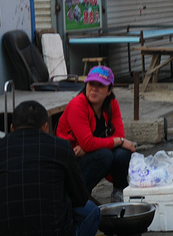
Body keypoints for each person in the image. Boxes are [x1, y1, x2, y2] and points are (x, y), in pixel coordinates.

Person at [0, 101, 100, 236]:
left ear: (12, 128)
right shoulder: (62, 147)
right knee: (91, 210)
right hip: (54, 231)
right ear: (45, 127)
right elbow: (80, 198)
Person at [56, 66, 136, 202]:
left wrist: (90, 147)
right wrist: (120, 141)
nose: (94, 88)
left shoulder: (112, 103)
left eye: (100, 85)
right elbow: (96, 142)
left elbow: (116, 134)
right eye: (91, 83)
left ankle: (120, 193)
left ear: (109, 90)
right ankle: (79, 197)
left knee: (122, 153)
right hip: (70, 160)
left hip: (88, 153)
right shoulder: (77, 104)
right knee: (105, 155)